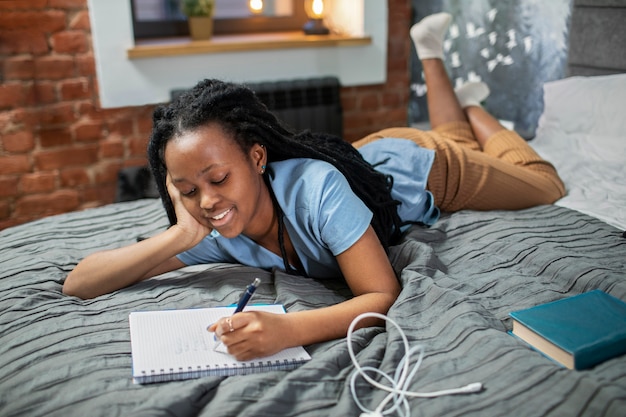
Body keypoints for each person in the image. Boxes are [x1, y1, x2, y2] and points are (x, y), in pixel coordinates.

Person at [63, 13, 564, 361]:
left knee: (545, 184)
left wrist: (289, 329)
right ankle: (441, 69)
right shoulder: (208, 226)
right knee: (455, 133)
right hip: (369, 157)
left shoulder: (316, 190)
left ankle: (480, 114)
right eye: (187, 190)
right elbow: (79, 283)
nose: (208, 201)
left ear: (257, 157)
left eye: (217, 179)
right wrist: (177, 237)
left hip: (427, 170)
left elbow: (381, 292)